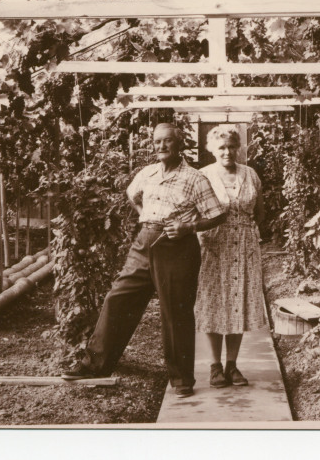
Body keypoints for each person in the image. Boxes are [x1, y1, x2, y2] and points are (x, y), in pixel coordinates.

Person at [63, 122, 225, 398]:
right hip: (143, 242)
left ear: (179, 144)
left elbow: (218, 213)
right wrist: (143, 214)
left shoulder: (195, 179)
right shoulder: (147, 173)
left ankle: (182, 379)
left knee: (175, 312)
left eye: (167, 141)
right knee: (118, 297)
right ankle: (96, 364)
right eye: (157, 141)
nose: (161, 146)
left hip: (177, 248)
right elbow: (131, 194)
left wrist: (190, 228)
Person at [195, 126, 268, 388]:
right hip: (214, 248)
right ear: (212, 149)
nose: (227, 151)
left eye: (231, 146)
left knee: (238, 303)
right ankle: (215, 367)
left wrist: (245, 231)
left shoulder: (250, 174)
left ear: (239, 148)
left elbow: (259, 212)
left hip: (244, 247)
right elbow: (195, 215)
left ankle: (232, 365)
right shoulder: (202, 176)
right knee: (214, 304)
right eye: (221, 147)